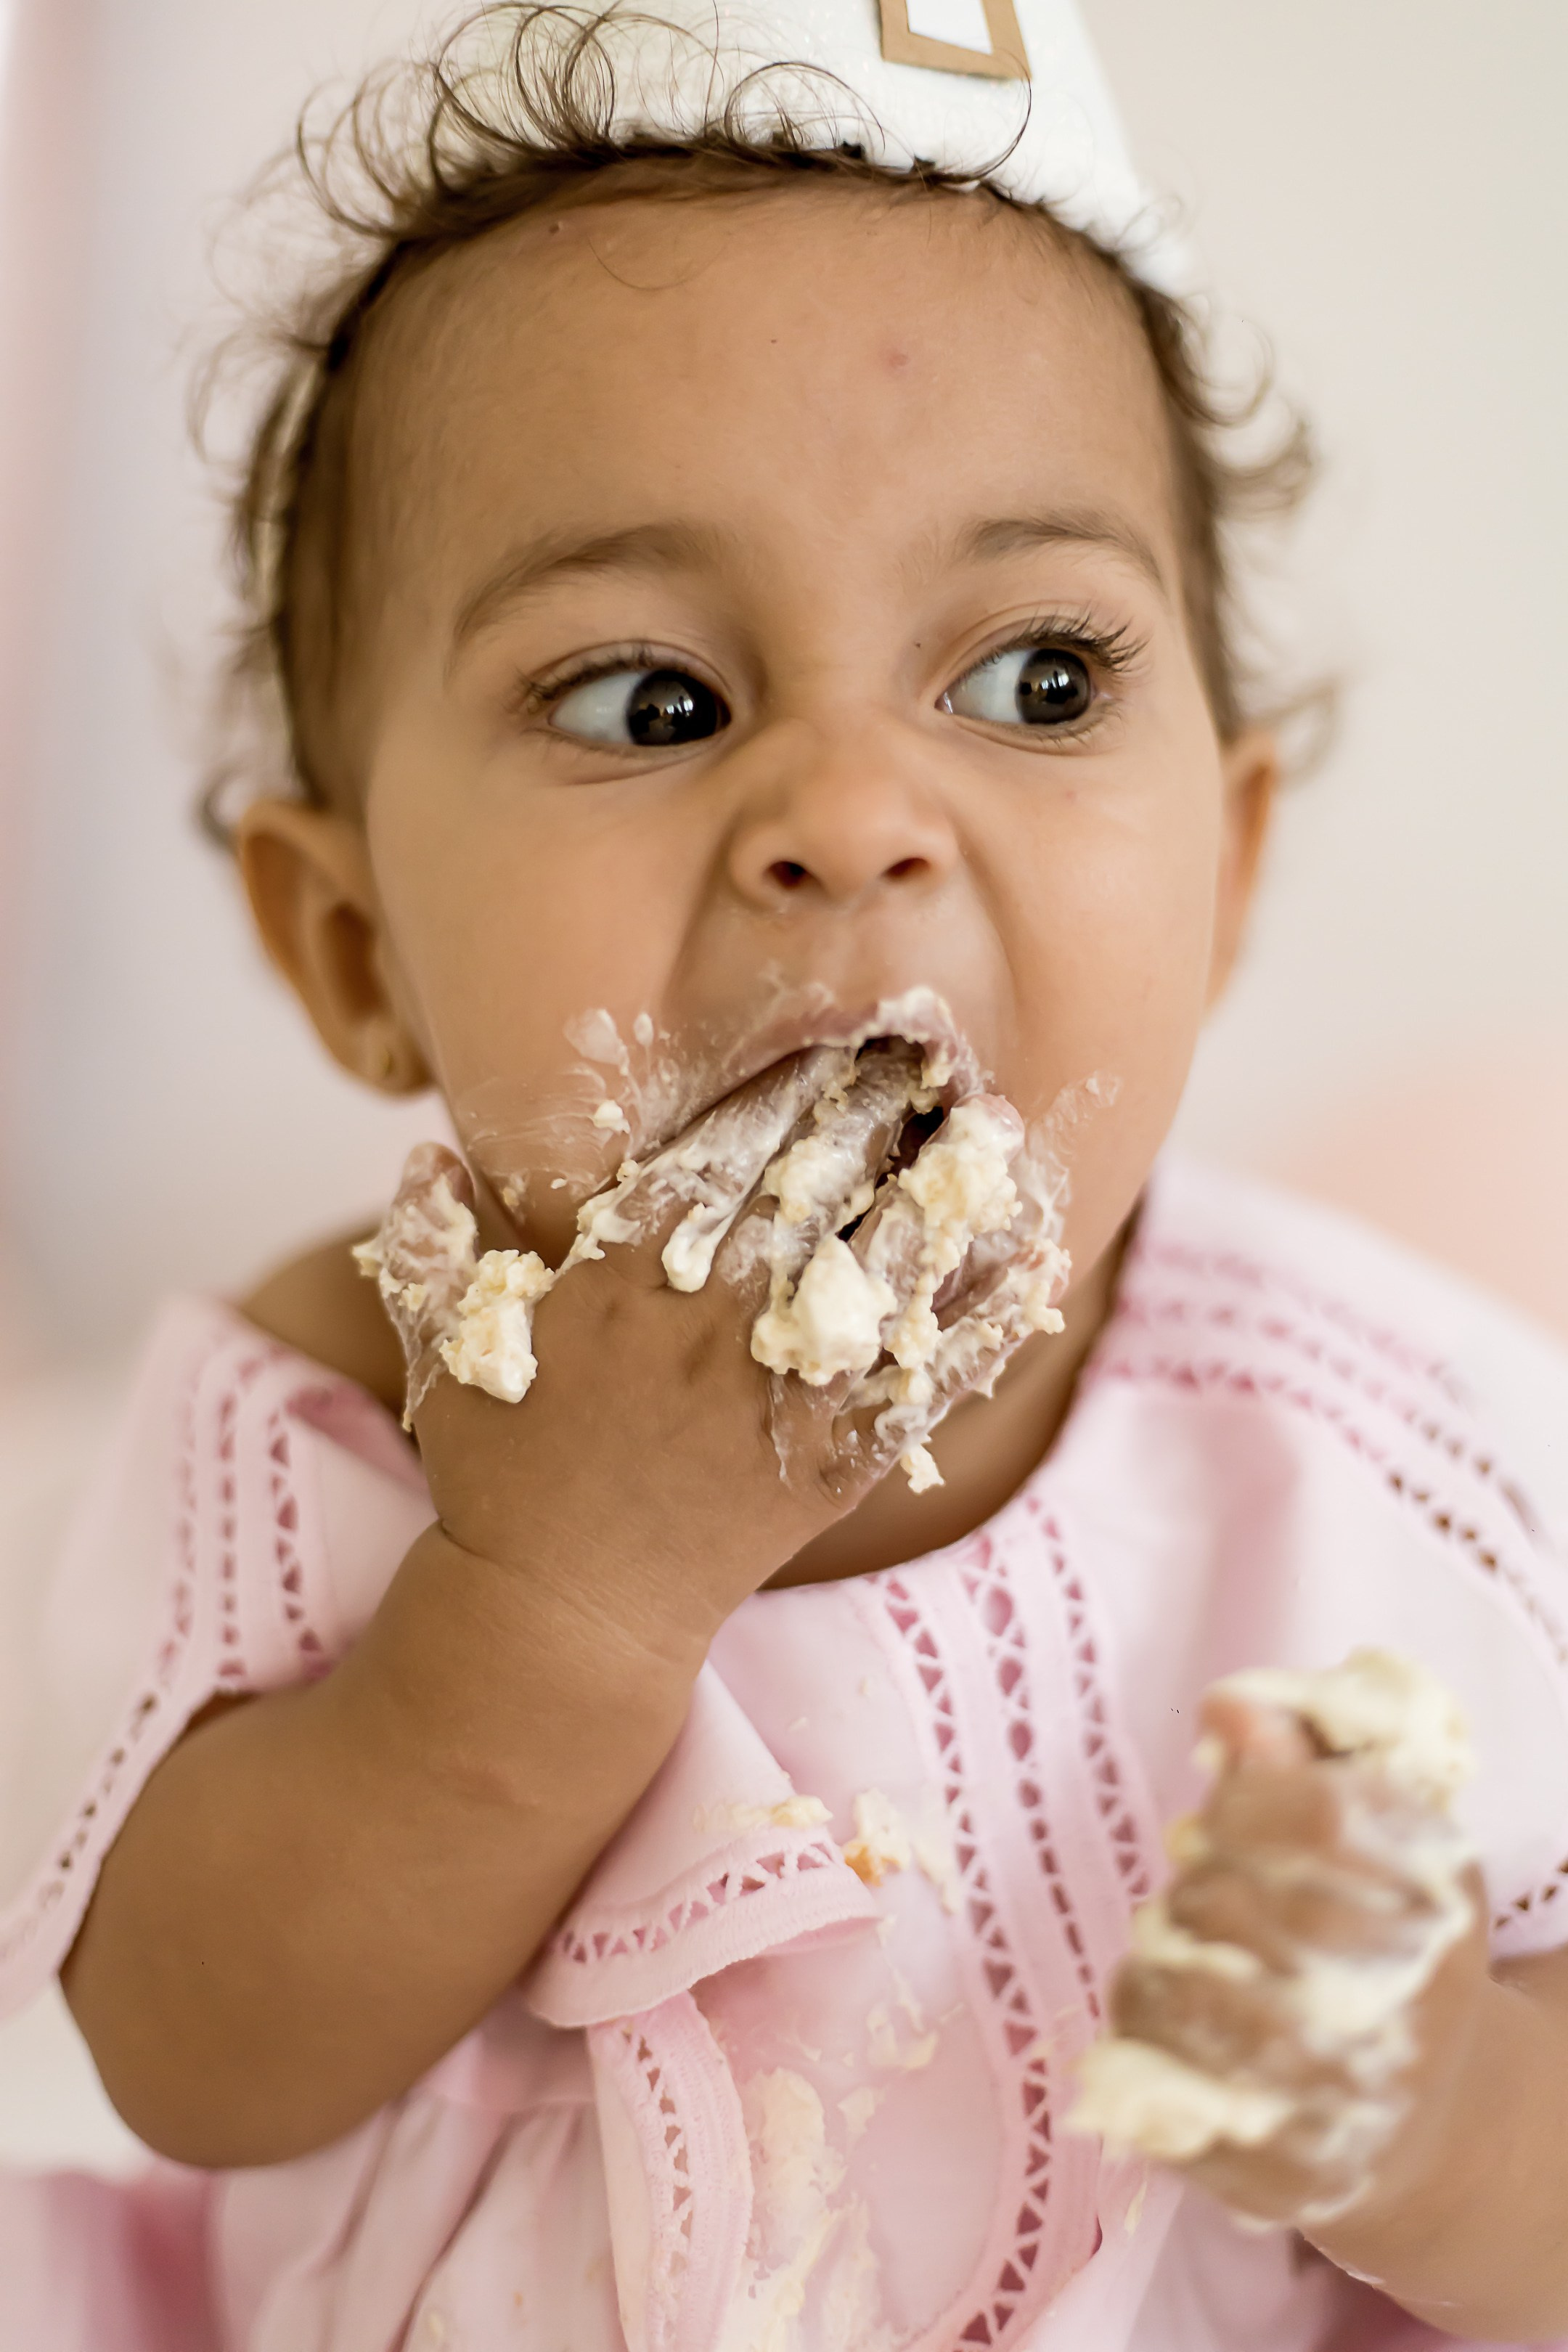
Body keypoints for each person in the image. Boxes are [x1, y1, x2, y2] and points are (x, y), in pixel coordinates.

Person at [4, 4, 1568, 2345]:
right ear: (354, 947)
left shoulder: (1398, 1464)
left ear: (1229, 873)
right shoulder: (319, 1410)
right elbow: (196, 2056)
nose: (850, 815)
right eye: (653, 700)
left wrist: (1439, 2120)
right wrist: (550, 1599)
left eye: (1036, 682)